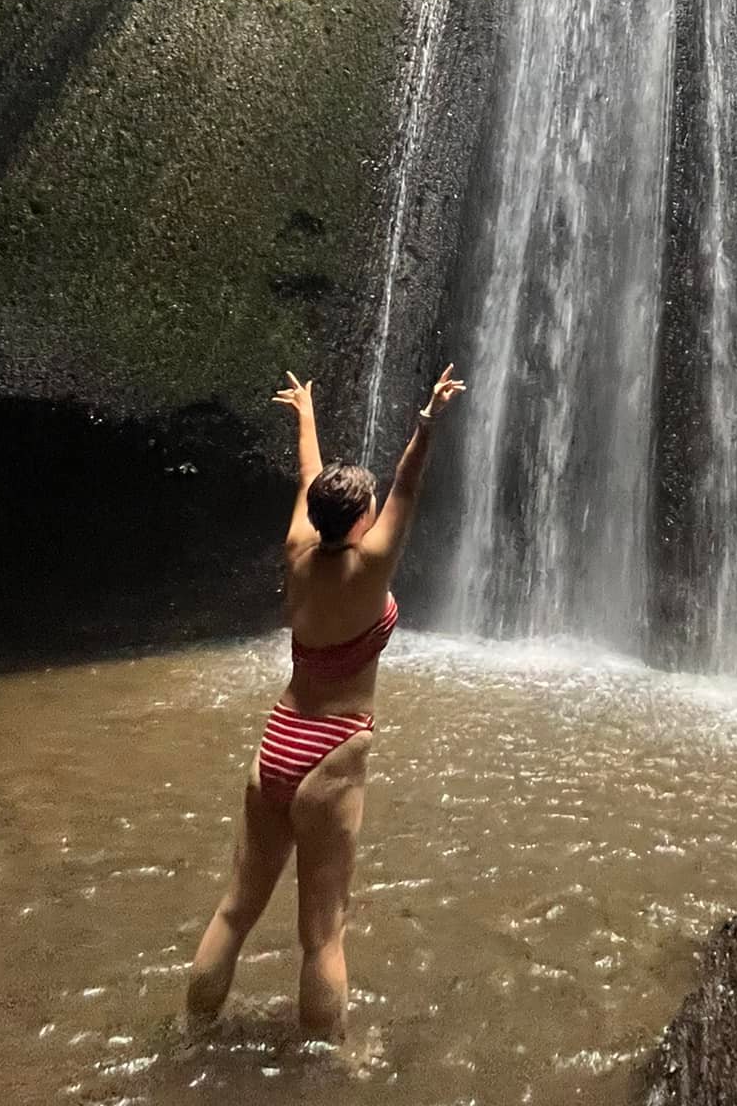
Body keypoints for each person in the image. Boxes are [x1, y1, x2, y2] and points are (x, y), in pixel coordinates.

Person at [187, 361, 465, 1039]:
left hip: (278, 740)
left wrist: (305, 415)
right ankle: (325, 1068)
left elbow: (310, 480)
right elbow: (409, 483)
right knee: (323, 934)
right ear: (363, 518)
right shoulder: (370, 567)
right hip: (332, 752)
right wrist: (428, 419)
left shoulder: (297, 547)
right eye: (368, 510)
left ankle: (192, 1031)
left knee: (234, 910)